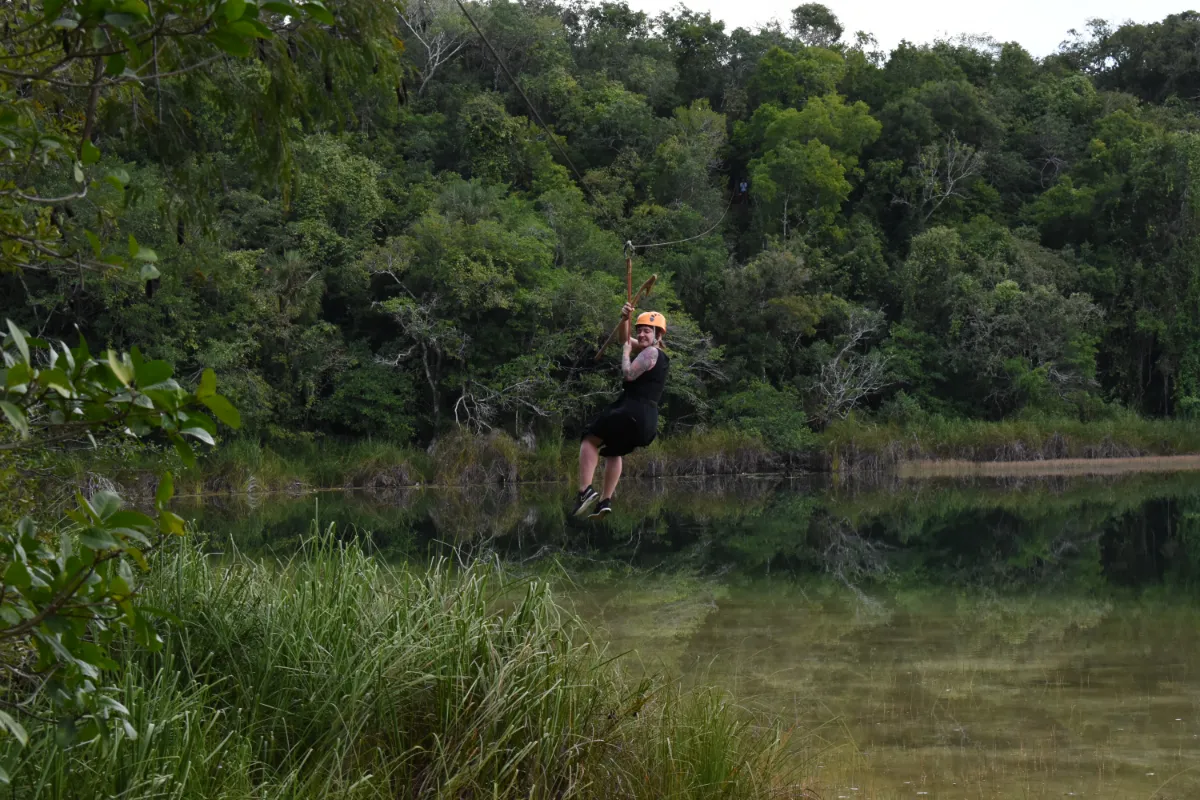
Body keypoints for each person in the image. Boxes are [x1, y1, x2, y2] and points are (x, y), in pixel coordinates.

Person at [572, 304, 669, 518]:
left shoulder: (651, 352)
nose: (641, 334)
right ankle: (605, 500)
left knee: (589, 438)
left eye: (647, 331)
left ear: (658, 335)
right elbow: (624, 340)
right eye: (640, 330)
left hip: (631, 410)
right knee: (613, 450)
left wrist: (626, 354)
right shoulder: (656, 355)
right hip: (647, 422)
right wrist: (625, 319)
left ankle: (584, 490)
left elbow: (628, 374)